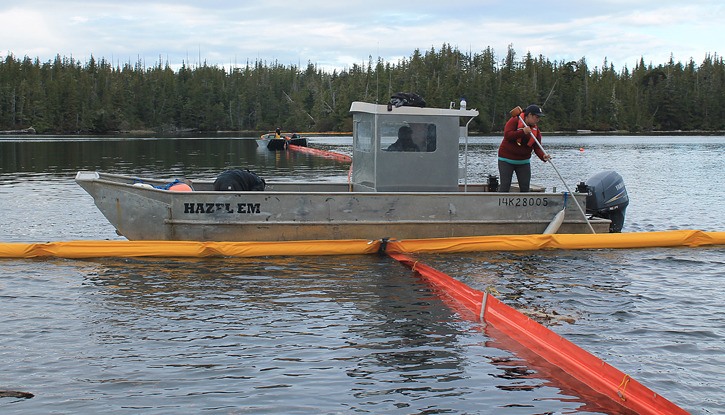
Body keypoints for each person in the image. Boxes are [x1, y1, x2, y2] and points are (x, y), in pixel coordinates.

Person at [497, 104, 550, 192]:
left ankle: (524, 206)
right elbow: (507, 135)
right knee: (505, 186)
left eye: (539, 117)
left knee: (525, 188)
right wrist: (522, 132)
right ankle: (498, 205)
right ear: (529, 115)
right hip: (506, 160)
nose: (538, 120)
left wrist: (543, 156)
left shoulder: (535, 130)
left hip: (523, 162)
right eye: (536, 117)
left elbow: (537, 147)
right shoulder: (515, 120)